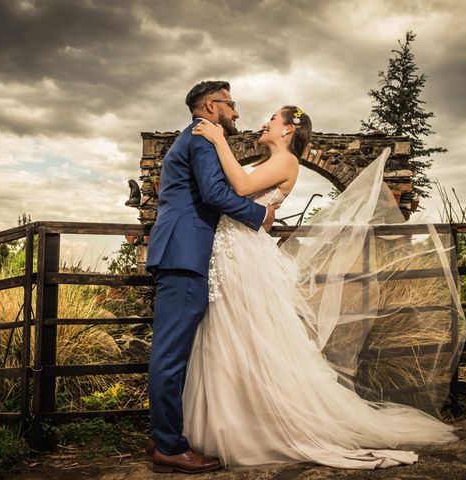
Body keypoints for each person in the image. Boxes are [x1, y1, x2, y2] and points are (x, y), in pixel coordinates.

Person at [182, 106, 466, 470]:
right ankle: (231, 420)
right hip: (229, 252)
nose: (264, 122)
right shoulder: (272, 159)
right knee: (228, 334)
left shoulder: (287, 162)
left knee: (245, 334)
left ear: (288, 131)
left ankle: (254, 426)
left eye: (273, 118)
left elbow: (239, 186)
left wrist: (219, 138)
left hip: (243, 257)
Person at [145, 80, 281, 474]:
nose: (236, 112)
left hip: (179, 250)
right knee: (170, 353)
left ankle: (163, 437)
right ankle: (169, 447)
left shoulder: (192, 137)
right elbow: (214, 193)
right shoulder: (204, 137)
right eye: (231, 104)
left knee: (171, 350)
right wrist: (261, 216)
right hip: (185, 253)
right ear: (210, 106)